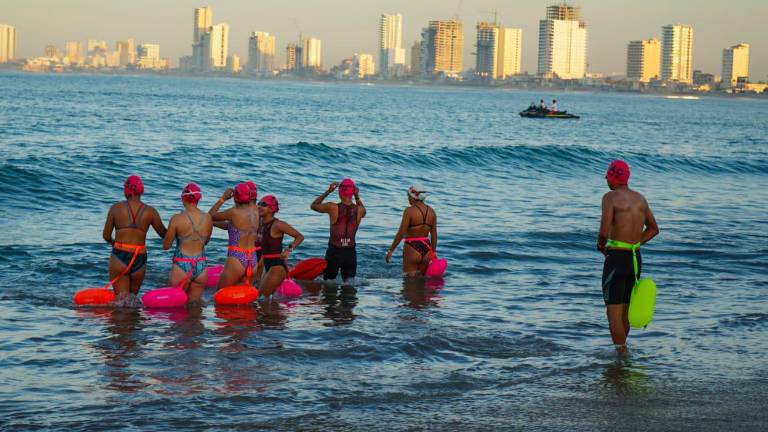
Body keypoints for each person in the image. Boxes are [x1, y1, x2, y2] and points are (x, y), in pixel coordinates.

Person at [597, 160, 660, 355]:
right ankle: (623, 354)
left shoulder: (610, 198)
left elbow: (604, 231)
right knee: (625, 309)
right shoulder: (640, 199)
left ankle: (622, 356)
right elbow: (654, 229)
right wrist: (634, 244)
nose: (607, 180)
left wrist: (601, 245)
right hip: (634, 258)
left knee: (613, 311)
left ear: (612, 177)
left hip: (616, 259)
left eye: (607, 176)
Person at [102, 175, 167, 298]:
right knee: (132, 301)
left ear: (127, 190)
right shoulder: (151, 212)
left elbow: (106, 235)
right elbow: (164, 234)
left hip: (120, 255)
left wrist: (113, 242)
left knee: (121, 301)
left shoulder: (116, 208)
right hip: (139, 257)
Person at [163, 183, 213, 304]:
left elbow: (166, 246)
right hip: (201, 266)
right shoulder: (208, 218)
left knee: (175, 306)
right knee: (195, 307)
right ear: (199, 199)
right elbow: (205, 242)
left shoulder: (177, 218)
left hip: (182, 265)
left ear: (183, 197)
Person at [310, 178, 366, 282]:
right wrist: (357, 196)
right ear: (353, 192)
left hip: (334, 251)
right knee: (349, 287)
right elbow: (364, 211)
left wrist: (328, 192)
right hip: (350, 253)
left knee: (328, 285)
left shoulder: (332, 207)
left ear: (340, 191)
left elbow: (313, 206)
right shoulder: (360, 210)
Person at [209, 182, 260, 289]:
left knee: (220, 293)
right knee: (242, 295)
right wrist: (213, 223)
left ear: (235, 198)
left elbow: (210, 215)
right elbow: (234, 228)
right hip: (253, 258)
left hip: (237, 258)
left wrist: (223, 198)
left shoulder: (234, 212)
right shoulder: (256, 211)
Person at [386, 184, 439, 277]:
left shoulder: (409, 211)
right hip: (427, 248)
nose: (408, 199)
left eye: (408, 196)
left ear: (413, 197)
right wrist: (433, 252)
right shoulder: (432, 212)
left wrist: (391, 250)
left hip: (412, 247)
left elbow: (401, 232)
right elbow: (434, 234)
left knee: (409, 282)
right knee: (422, 281)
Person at [257, 195, 304, 297]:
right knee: (263, 299)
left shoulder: (278, 224)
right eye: (259, 203)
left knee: (260, 298)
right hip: (266, 265)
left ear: (271, 209)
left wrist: (288, 250)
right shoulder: (260, 223)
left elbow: (299, 236)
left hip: (277, 266)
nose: (259, 206)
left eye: (263, 204)